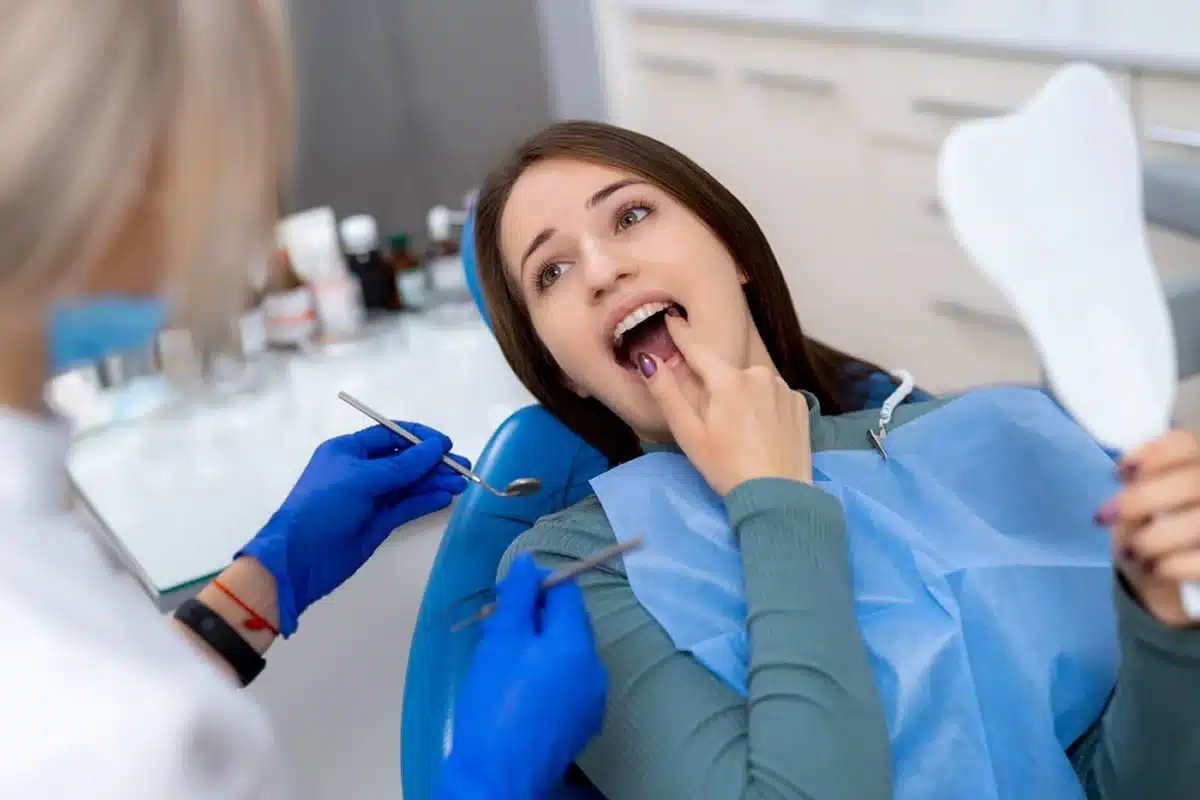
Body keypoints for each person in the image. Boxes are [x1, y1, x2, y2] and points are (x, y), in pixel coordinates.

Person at [469, 120, 1200, 799]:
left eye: (629, 216)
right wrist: (770, 495)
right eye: (553, 272)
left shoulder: (987, 441)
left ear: (735, 254)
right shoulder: (578, 571)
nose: (600, 271)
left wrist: (1164, 626)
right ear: (560, 369)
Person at [0, 3, 604, 798]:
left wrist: (251, 592)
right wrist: (487, 782)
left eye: (632, 217)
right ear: (124, 160)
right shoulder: (118, 736)